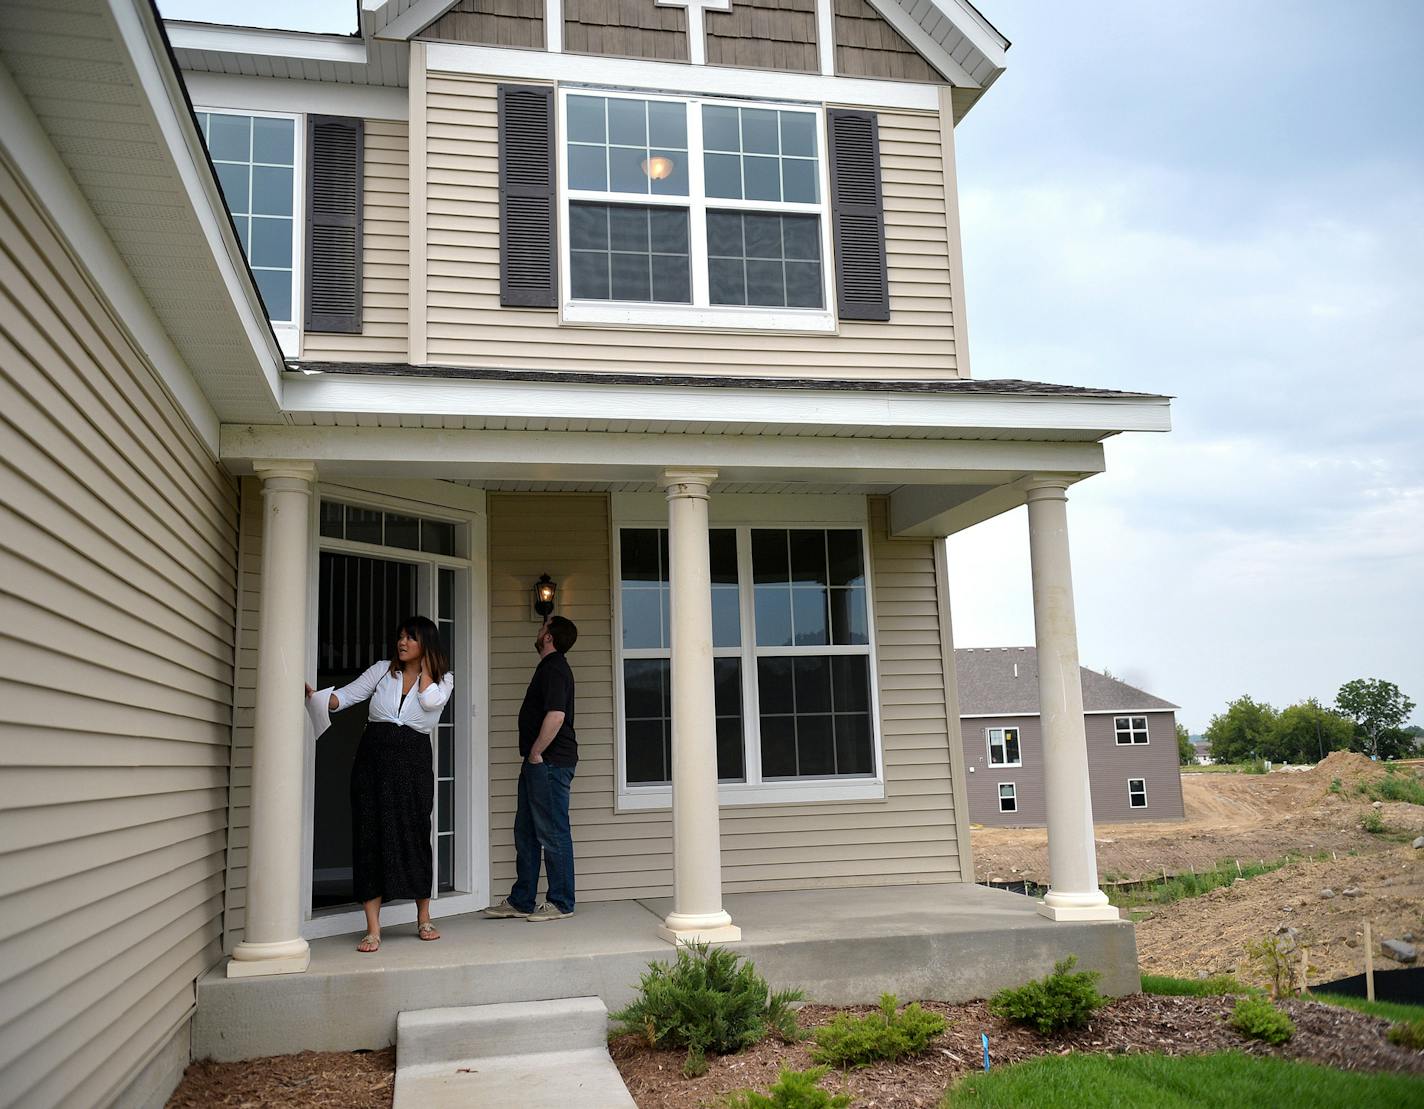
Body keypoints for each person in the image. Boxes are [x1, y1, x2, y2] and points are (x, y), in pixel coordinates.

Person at [305, 616, 454, 952]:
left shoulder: (444, 681)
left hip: (412, 763)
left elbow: (430, 703)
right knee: (369, 835)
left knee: (414, 834)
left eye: (411, 638)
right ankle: (373, 929)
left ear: (426, 644)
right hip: (373, 761)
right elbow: (344, 698)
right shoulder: (383, 670)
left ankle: (423, 917)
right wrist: (317, 697)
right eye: (400, 636)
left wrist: (427, 669)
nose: (402, 643)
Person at [483, 614, 579, 922]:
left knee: (552, 831)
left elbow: (556, 715)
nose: (539, 632)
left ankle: (561, 902)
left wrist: (537, 753)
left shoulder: (555, 669)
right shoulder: (549, 668)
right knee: (525, 831)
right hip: (538, 763)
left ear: (549, 637)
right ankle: (522, 899)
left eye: (543, 627)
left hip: (549, 763)